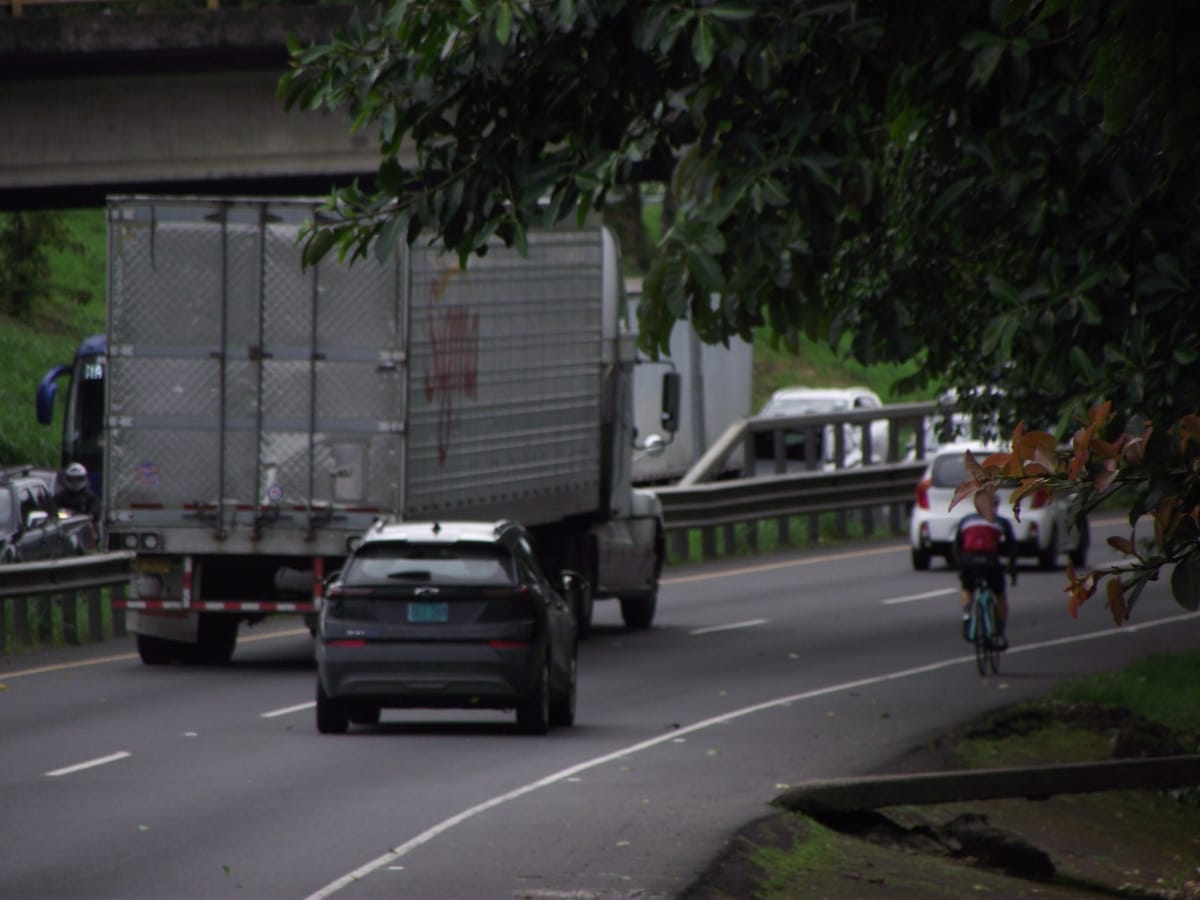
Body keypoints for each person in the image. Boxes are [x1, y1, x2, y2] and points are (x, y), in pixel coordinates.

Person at [954, 510, 1017, 649]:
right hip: (990, 561)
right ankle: (999, 634)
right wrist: (1012, 570)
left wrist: (961, 568)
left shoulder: (966, 519)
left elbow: (957, 545)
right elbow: (1012, 548)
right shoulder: (1000, 521)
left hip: (969, 560)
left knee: (967, 589)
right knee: (1000, 595)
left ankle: (966, 616)